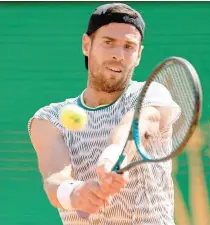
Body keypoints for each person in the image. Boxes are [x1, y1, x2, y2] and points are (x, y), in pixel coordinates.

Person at [28, 3, 179, 225]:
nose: (119, 55)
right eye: (109, 43)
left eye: (129, 46)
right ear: (86, 45)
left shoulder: (151, 94)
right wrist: (75, 193)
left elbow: (139, 123)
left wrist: (114, 155)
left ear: (138, 55)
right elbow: (54, 179)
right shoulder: (49, 118)